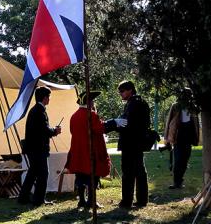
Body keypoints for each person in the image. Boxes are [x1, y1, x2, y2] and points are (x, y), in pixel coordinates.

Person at [104, 80, 151, 208]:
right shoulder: (141, 102)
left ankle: (127, 201)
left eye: (122, 91)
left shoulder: (133, 104)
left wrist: (114, 125)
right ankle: (142, 200)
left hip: (130, 142)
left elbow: (127, 123)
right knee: (140, 171)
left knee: (128, 172)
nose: (120, 94)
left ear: (130, 90)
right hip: (138, 142)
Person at [64, 90, 110, 209]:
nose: (93, 103)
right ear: (89, 102)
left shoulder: (73, 116)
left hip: (77, 150)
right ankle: (91, 201)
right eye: (92, 100)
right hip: (90, 150)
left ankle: (81, 200)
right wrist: (112, 123)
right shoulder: (92, 115)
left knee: (80, 176)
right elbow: (99, 129)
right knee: (92, 177)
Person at [18, 86, 62, 206]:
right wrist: (55, 131)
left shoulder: (36, 110)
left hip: (33, 148)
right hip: (38, 148)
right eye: (49, 97)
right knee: (43, 174)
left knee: (32, 173)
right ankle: (39, 200)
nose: (49, 99)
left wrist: (52, 130)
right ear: (44, 98)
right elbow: (44, 130)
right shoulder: (39, 111)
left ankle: (23, 197)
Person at [164, 87, 200, 189]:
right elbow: (169, 122)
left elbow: (196, 123)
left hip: (188, 134)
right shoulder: (175, 106)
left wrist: (196, 137)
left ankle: (180, 180)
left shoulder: (193, 107)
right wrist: (167, 138)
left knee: (185, 159)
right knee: (178, 159)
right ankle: (176, 182)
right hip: (178, 134)